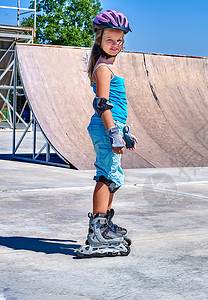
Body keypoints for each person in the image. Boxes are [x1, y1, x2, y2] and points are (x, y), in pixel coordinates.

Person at [76, 10, 138, 258]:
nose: (116, 44)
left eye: (119, 40)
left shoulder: (111, 66)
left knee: (113, 176)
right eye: (110, 39)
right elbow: (102, 103)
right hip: (104, 127)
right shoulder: (103, 69)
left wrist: (124, 131)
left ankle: (104, 226)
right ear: (99, 40)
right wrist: (113, 131)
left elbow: (117, 104)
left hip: (112, 127)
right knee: (106, 176)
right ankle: (97, 233)